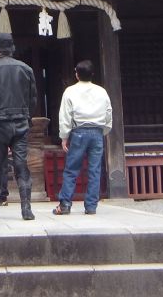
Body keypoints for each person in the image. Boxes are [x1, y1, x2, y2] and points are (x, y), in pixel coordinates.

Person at [0, 33, 38, 221]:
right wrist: (28, 118)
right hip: (21, 122)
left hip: (0, 124)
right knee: (21, 164)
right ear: (12, 49)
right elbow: (33, 98)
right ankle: (26, 209)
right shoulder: (26, 69)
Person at [52, 59, 112, 216]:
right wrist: (104, 130)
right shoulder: (102, 91)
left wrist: (64, 136)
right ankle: (91, 206)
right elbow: (108, 113)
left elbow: (65, 116)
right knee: (94, 170)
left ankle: (65, 205)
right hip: (97, 132)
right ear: (92, 74)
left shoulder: (70, 91)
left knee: (71, 169)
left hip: (78, 132)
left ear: (77, 74)